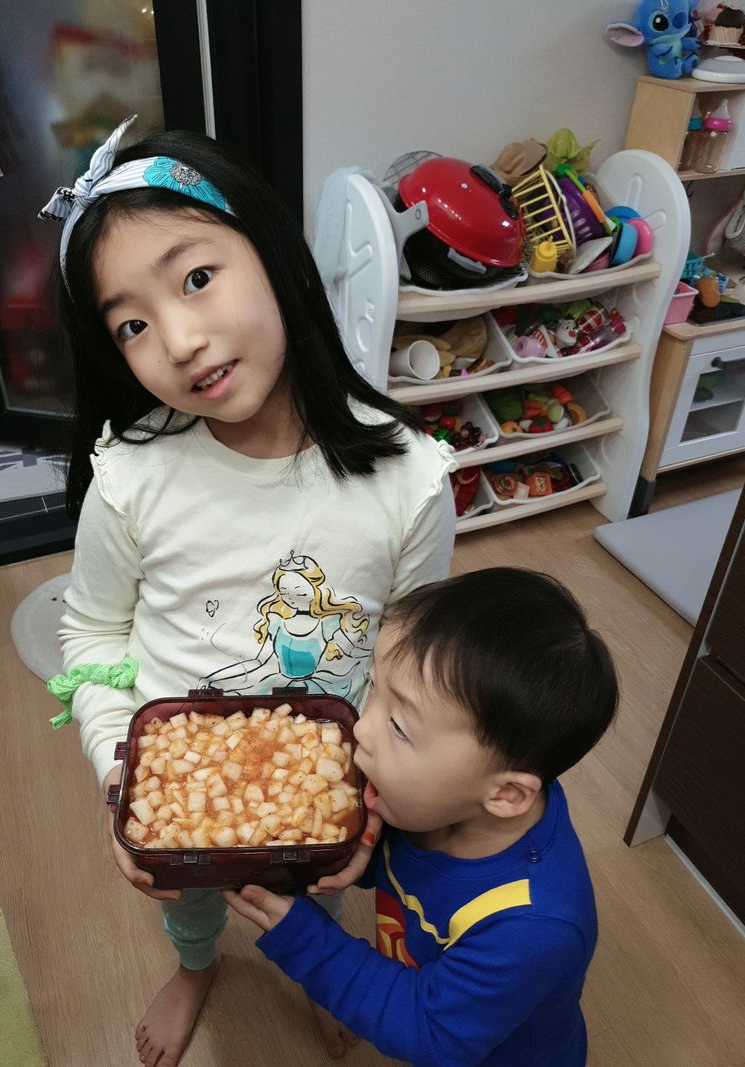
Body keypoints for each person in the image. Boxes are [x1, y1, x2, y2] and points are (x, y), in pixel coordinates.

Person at [42, 115, 456, 1067]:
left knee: (316, 899)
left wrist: (376, 798)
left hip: (322, 787)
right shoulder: (132, 479)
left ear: (272, 253)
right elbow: (92, 633)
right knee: (189, 903)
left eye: (196, 277)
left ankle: (324, 971)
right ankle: (196, 966)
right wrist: (122, 775)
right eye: (132, 325)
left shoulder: (410, 483)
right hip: (175, 788)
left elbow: (410, 665)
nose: (180, 340)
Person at [225, 567, 619, 1067]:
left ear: (506, 794)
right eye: (374, 685)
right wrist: (344, 845)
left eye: (398, 726)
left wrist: (305, 938)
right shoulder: (436, 798)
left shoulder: (534, 925)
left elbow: (429, 1029)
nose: (362, 728)